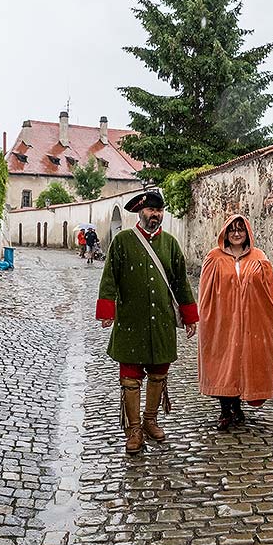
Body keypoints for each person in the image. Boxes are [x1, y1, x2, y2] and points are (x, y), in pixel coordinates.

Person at [96, 187, 198, 453]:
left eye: (159, 210)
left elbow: (180, 282)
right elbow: (110, 277)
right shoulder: (123, 241)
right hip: (131, 320)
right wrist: (107, 311)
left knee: (158, 373)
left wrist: (190, 317)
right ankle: (133, 429)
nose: (156, 215)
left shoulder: (171, 244)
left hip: (162, 321)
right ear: (140, 212)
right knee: (130, 378)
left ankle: (151, 421)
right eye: (152, 210)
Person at [198, 214, 273, 430]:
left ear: (247, 233)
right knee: (222, 363)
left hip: (251, 321)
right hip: (221, 321)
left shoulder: (259, 257)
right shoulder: (213, 258)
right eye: (232, 229)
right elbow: (205, 294)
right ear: (225, 232)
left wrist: (266, 321)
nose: (236, 233)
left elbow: (269, 294)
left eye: (240, 229)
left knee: (245, 362)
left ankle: (238, 406)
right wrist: (205, 319)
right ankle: (226, 409)